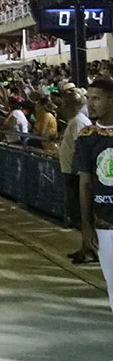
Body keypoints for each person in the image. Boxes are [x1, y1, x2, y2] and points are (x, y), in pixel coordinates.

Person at [75, 76, 113, 313]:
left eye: (96, 98)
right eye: (88, 98)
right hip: (105, 223)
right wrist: (86, 224)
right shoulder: (87, 136)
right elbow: (85, 183)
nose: (91, 103)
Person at [59, 85, 95, 263]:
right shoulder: (75, 121)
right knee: (78, 214)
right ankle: (86, 246)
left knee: (83, 214)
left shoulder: (79, 122)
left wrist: (77, 172)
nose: (62, 108)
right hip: (72, 173)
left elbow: (82, 149)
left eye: (65, 104)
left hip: (77, 175)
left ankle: (91, 249)